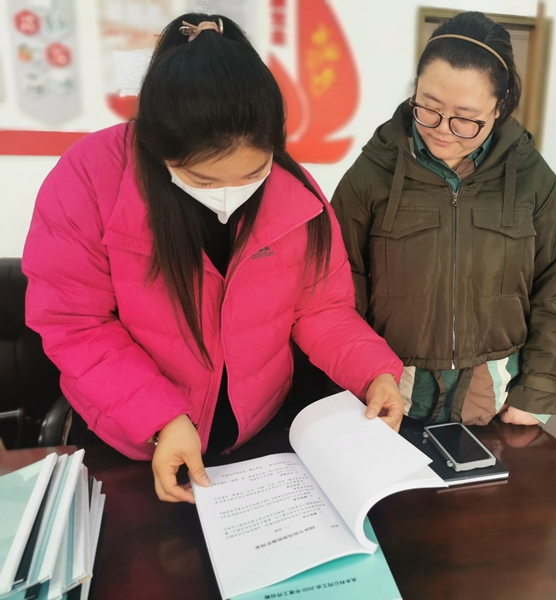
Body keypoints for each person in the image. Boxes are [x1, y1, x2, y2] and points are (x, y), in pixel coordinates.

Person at [22, 14, 404, 503]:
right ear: (159, 148)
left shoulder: (297, 191)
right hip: (132, 441)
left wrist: (373, 372)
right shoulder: (90, 178)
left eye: (252, 173)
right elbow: (75, 323)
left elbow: (321, 308)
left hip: (257, 439)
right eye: (203, 179)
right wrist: (160, 418)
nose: (229, 193)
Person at [331, 12, 556, 428]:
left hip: (496, 396)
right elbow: (339, 287)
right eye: (428, 108)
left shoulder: (533, 181)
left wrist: (537, 390)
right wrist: (361, 374)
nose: (442, 130)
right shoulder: (373, 173)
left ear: (500, 107)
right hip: (390, 392)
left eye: (465, 118)